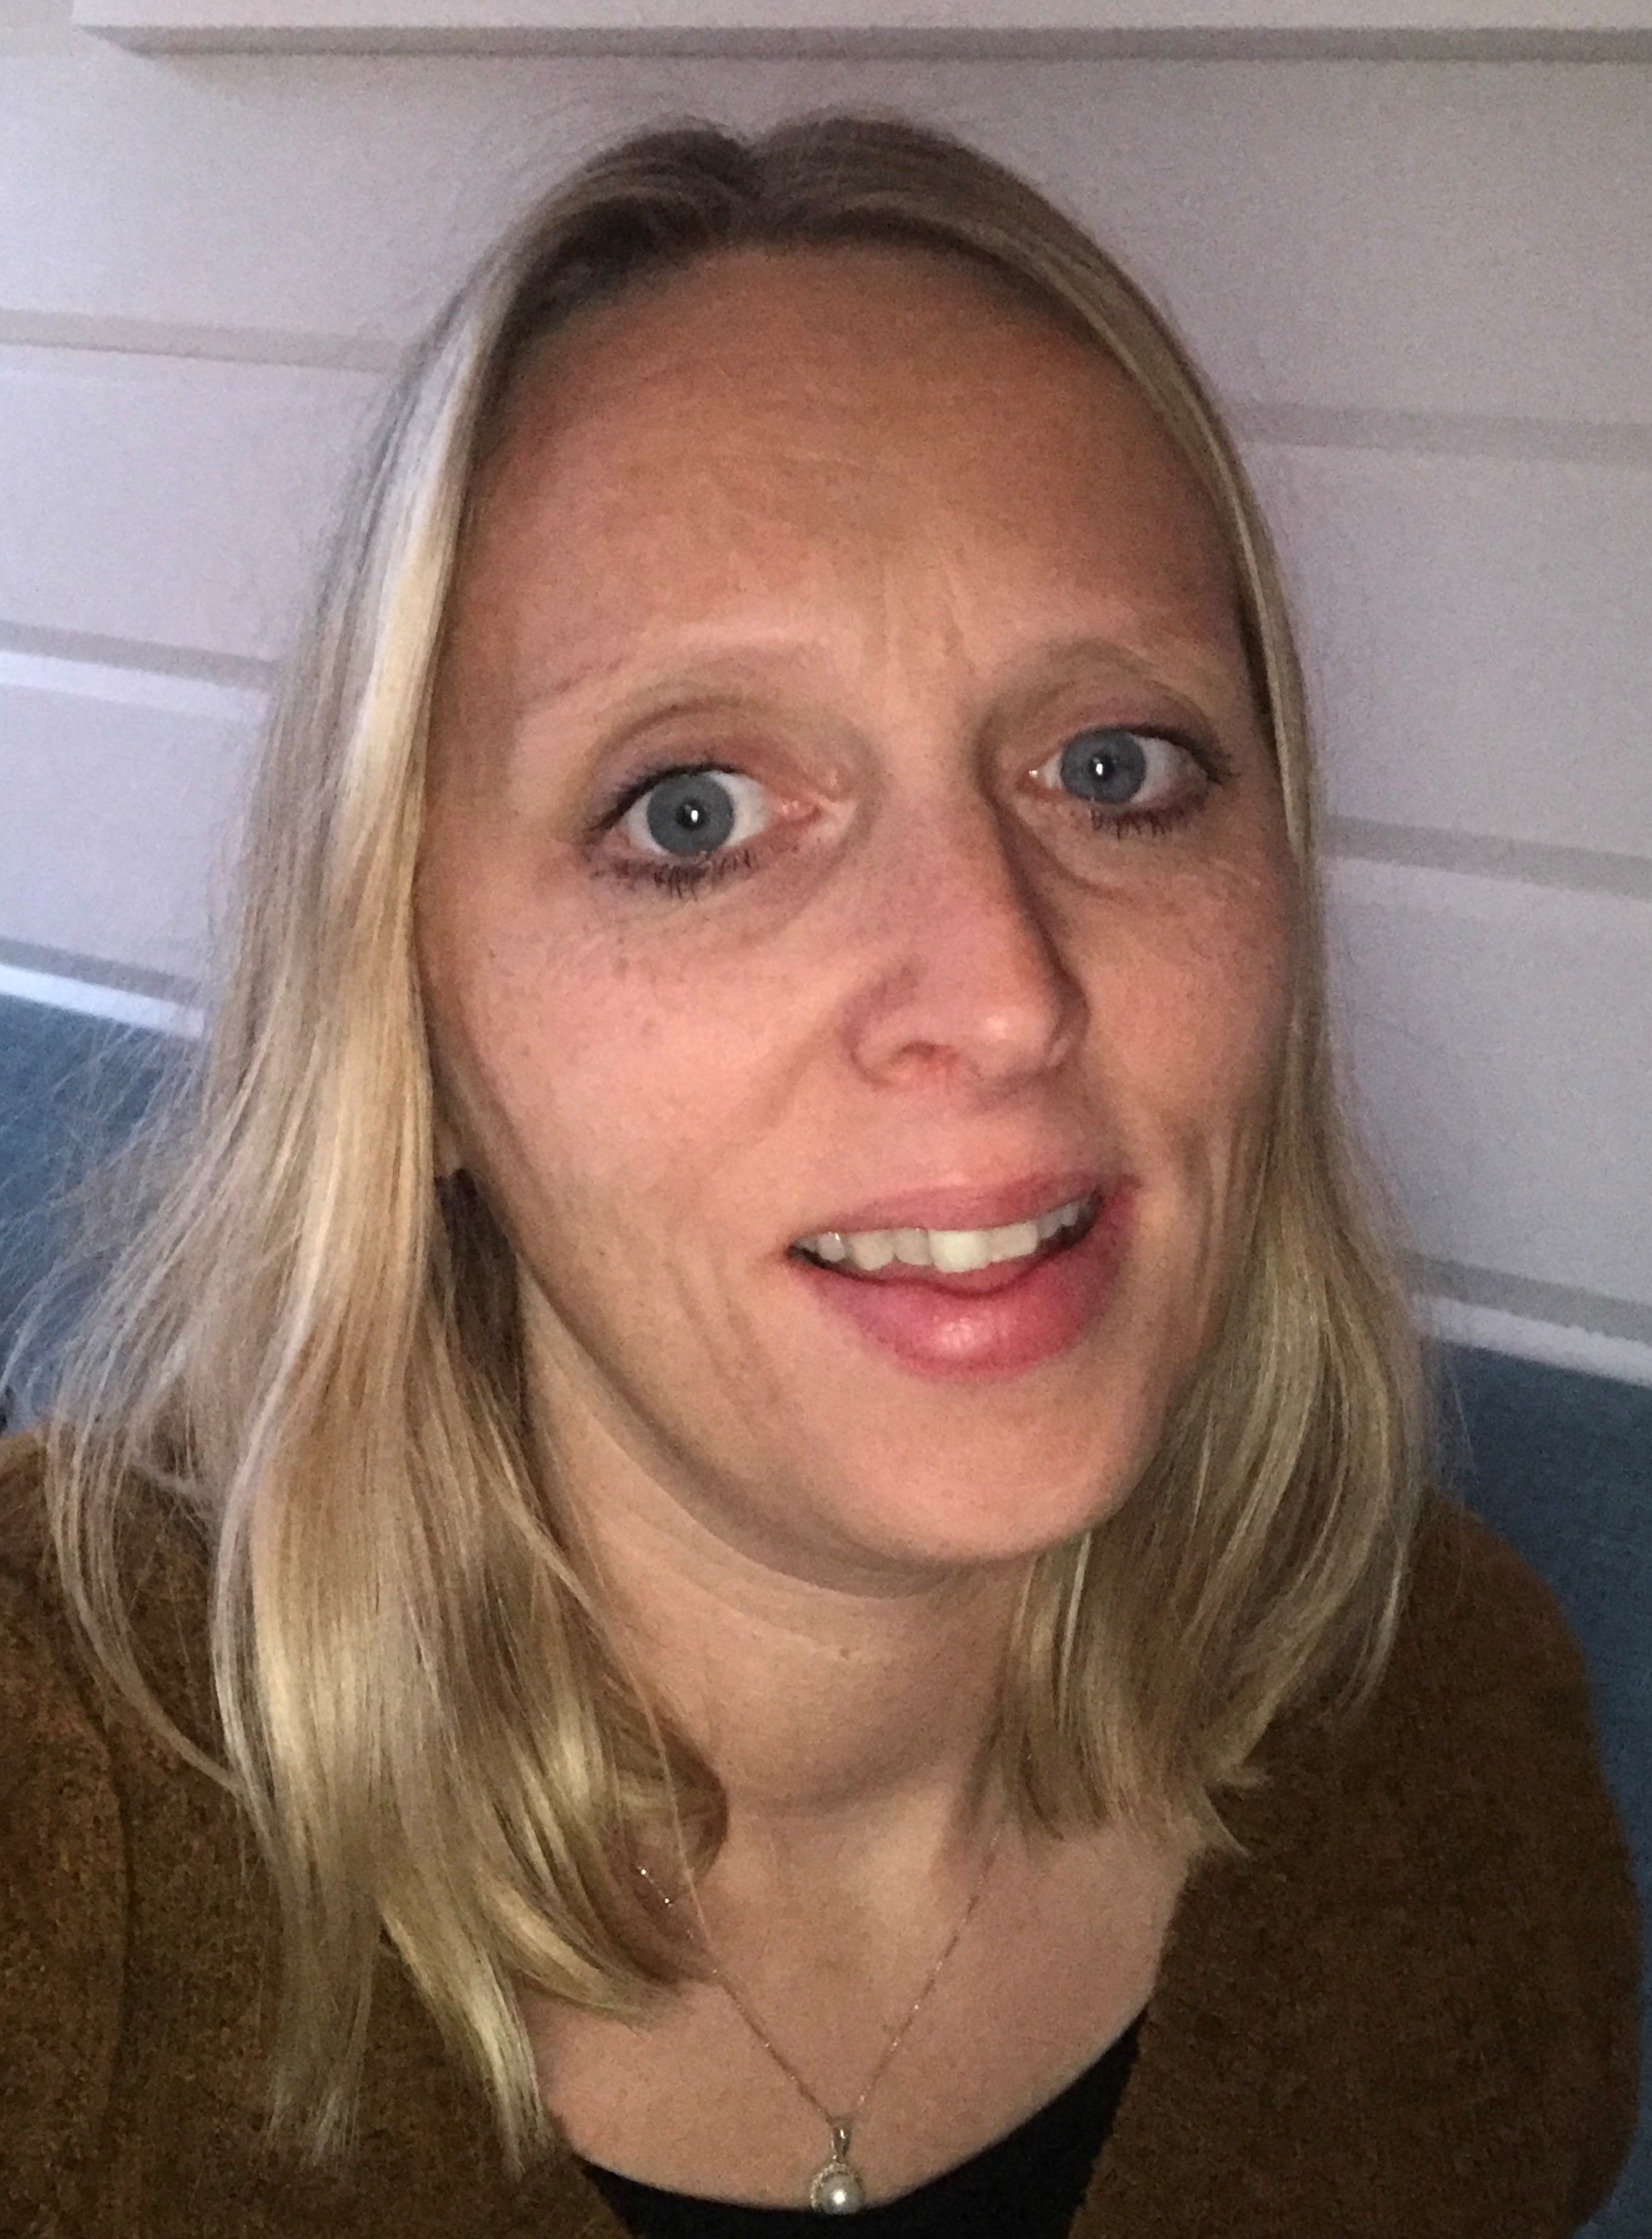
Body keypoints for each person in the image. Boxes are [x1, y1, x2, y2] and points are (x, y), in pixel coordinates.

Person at [0, 109, 1637, 2239]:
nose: (1001, 991)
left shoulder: (1437, 1742)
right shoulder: (65, 1832)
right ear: (413, 1015)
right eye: (689, 813)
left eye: (1113, 768)